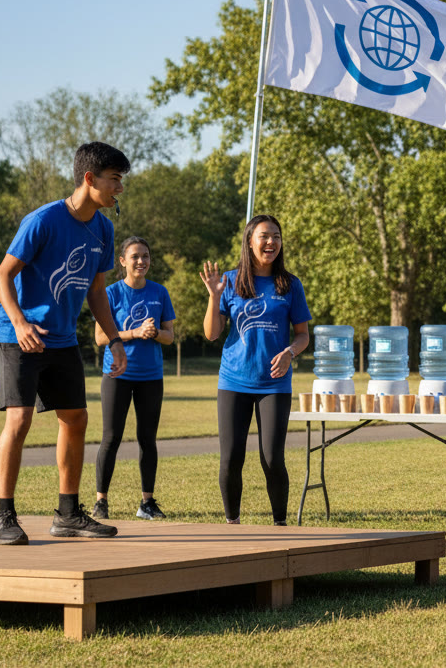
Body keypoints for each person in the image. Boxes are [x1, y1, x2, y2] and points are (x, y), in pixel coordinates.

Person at [0, 142, 130, 545]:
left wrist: (115, 339)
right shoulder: (44, 220)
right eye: (114, 179)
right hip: (20, 336)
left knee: (76, 418)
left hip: (63, 338)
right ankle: (4, 515)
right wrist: (19, 323)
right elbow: (2, 277)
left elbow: (97, 290)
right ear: (90, 179)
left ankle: (68, 514)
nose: (119, 188)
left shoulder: (103, 228)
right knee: (19, 420)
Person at [201, 215, 311, 526]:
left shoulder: (290, 285)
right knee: (232, 458)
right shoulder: (230, 281)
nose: (271, 242)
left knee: (272, 458)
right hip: (234, 381)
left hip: (274, 384)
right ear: (250, 241)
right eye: (264, 236)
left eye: (276, 236)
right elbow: (211, 333)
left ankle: (280, 525)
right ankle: (232, 524)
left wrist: (290, 352)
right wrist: (213, 296)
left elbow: (303, 335)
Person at [92, 236, 176, 521]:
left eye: (146, 256)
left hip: (151, 377)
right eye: (135, 256)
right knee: (111, 438)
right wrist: (134, 333)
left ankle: (147, 503)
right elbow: (101, 337)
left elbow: (169, 336)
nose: (141, 261)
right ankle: (101, 501)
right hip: (117, 375)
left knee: (147, 439)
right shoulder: (111, 293)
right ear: (123, 261)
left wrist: (154, 334)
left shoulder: (159, 292)